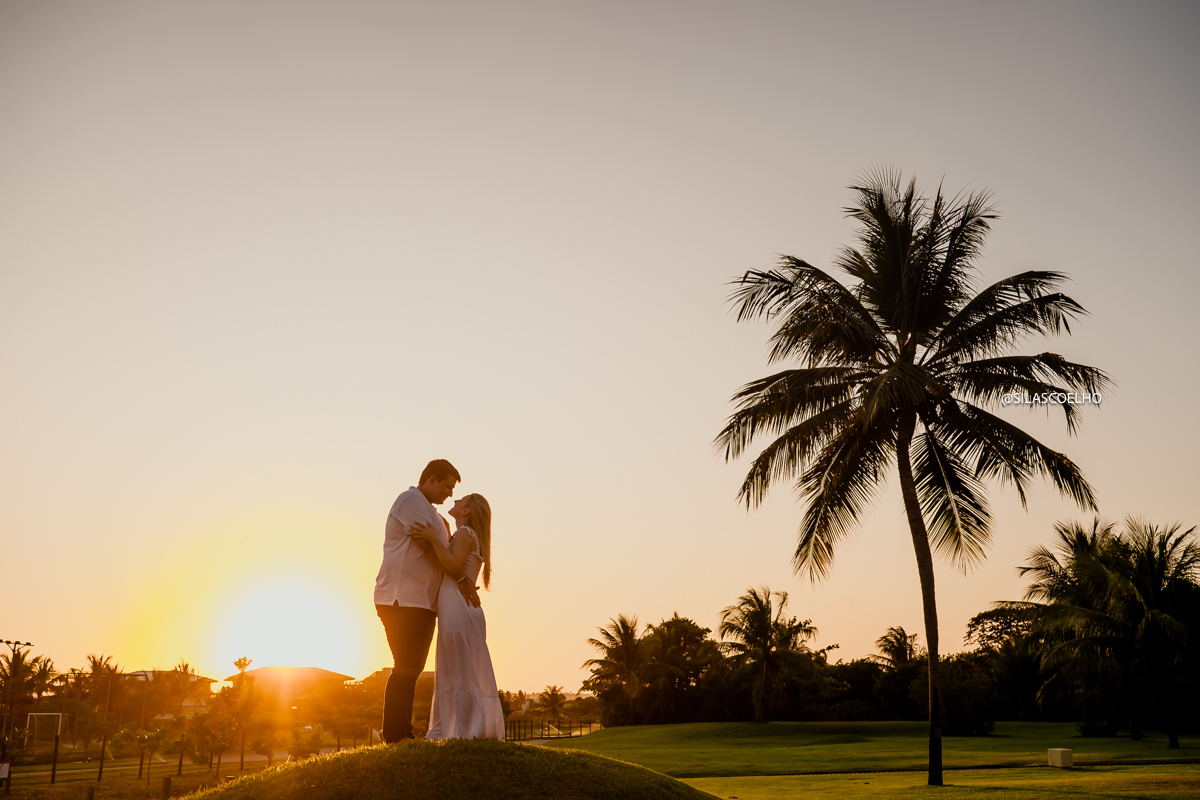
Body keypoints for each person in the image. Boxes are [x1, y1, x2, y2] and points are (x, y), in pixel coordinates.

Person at [374, 459, 480, 743]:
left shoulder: (435, 516)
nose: (450, 493)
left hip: (423, 602)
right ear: (431, 479)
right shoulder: (410, 501)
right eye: (447, 486)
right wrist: (460, 577)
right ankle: (395, 735)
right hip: (400, 598)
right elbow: (424, 545)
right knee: (405, 665)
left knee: (413, 667)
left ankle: (402, 733)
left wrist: (461, 577)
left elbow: (445, 553)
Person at [408, 492, 505, 740]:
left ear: (467, 511)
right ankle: (462, 727)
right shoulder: (467, 534)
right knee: (460, 667)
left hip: (457, 603)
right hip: (462, 605)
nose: (455, 501)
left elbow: (453, 565)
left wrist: (433, 538)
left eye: (461, 500)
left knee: (458, 669)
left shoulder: (465, 533)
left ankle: (463, 730)